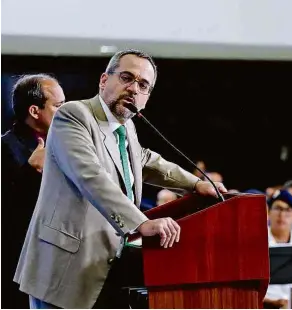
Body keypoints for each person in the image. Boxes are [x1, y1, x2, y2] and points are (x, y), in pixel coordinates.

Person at [13, 49, 227, 309]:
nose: (133, 88)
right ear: (104, 80)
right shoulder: (73, 115)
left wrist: (195, 184)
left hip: (106, 268)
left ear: (147, 97)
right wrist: (140, 223)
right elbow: (90, 175)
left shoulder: (126, 127)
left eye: (143, 85)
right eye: (127, 77)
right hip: (62, 270)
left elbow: (146, 160)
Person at [2, 74, 65, 309]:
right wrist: (29, 171)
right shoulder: (5, 147)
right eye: (58, 106)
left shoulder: (62, 144)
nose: (65, 112)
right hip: (19, 264)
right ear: (35, 111)